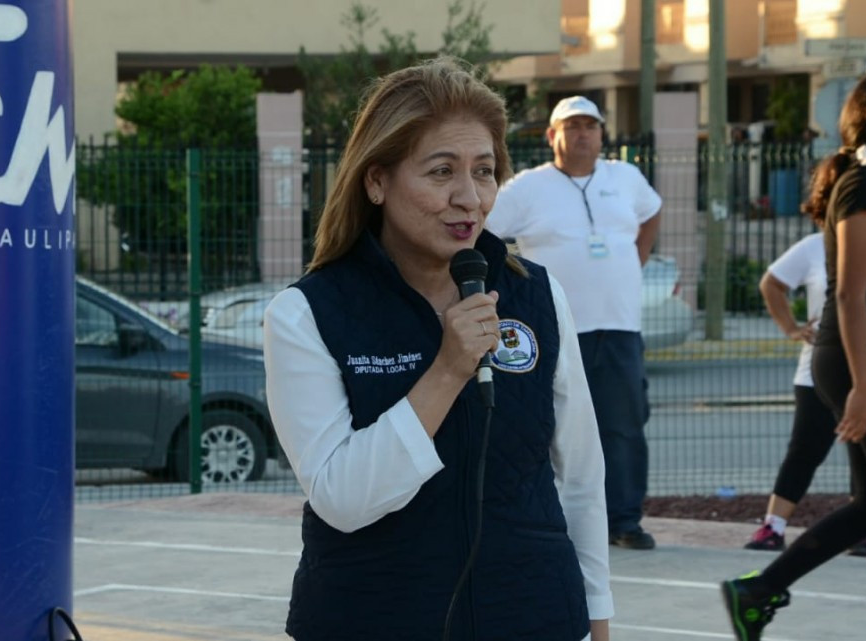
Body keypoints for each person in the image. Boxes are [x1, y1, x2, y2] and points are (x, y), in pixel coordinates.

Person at [263, 57, 612, 641]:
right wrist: (448, 370)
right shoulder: (307, 314)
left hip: (534, 616)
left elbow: (580, 473)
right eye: (441, 171)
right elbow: (342, 498)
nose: (468, 198)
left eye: (484, 171)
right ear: (376, 181)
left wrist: (596, 618)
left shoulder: (537, 295)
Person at [722, 70, 866, 641]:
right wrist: (863, 384)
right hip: (865, 358)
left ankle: (756, 591)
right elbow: (850, 294)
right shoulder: (862, 187)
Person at [485, 95, 662, 550]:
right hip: (554, 332)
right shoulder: (526, 188)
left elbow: (652, 212)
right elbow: (484, 234)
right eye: (572, 125)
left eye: (591, 125)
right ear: (552, 136)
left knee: (623, 426)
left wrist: (634, 261)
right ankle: (547, 516)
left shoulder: (626, 178)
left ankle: (624, 521)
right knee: (547, 426)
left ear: (603, 134)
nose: (583, 133)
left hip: (619, 326)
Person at [742, 229, 866, 557]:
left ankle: (859, 532)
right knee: (805, 448)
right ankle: (773, 526)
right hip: (822, 372)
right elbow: (771, 283)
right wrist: (792, 329)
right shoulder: (815, 246)